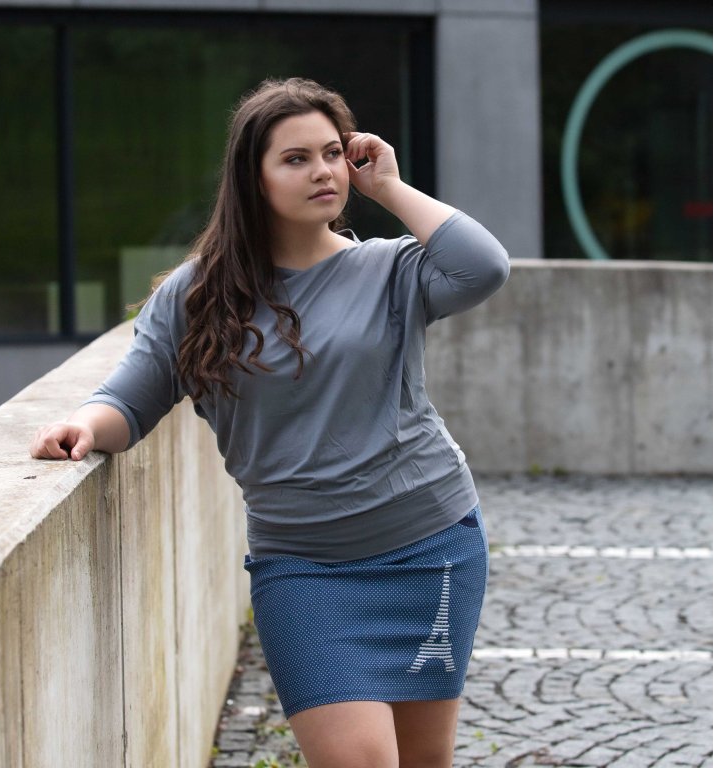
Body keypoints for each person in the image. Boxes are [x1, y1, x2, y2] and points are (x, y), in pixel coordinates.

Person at [31, 77, 510, 767]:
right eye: (295, 158)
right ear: (252, 178)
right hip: (301, 568)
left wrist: (388, 187)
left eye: (332, 153)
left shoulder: (389, 270)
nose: (322, 171)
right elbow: (131, 400)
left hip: (429, 545)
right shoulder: (196, 296)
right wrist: (84, 425)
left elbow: (484, 267)